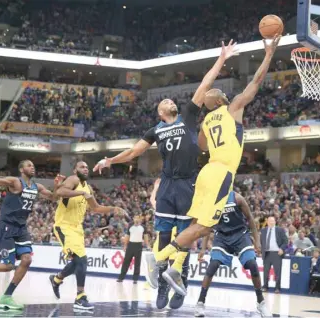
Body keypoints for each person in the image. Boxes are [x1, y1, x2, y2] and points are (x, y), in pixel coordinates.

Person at [93, 40, 238, 310]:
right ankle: (161, 284)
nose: (170, 100)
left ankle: (180, 284)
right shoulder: (155, 130)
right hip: (168, 184)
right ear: (160, 113)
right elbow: (134, 152)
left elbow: (204, 85)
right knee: (162, 235)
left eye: (170, 99)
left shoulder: (187, 116)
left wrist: (222, 59)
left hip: (188, 183)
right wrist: (110, 159)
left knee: (185, 235)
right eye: (165, 101)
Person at [145, 34, 281, 297]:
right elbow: (256, 81)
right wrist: (269, 54)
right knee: (204, 226)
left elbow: (202, 147)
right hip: (222, 173)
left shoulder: (207, 120)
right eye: (224, 95)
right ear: (221, 101)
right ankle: (160, 259)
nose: (228, 95)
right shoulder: (233, 108)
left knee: (201, 224)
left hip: (206, 172)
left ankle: (171, 267)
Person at [0, 159, 62, 309]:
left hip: (21, 228)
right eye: (29, 165)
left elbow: (54, 197)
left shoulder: (37, 186)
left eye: (33, 165)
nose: (32, 167)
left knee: (27, 260)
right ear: (21, 169)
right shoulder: (15, 182)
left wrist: (57, 185)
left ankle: (7, 296)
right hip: (7, 227)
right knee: (8, 266)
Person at [48, 161, 126, 311]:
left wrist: (113, 208)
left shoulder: (88, 187)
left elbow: (96, 208)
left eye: (86, 167)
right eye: (82, 167)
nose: (85, 169)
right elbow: (60, 192)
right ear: (74, 169)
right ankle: (80, 296)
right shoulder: (73, 180)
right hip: (64, 226)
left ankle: (56, 279)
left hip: (77, 229)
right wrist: (81, 193)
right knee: (81, 261)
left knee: (78, 262)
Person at [195, 191, 270, 317]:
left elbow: (250, 219)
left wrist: (257, 241)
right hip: (222, 237)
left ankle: (260, 302)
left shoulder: (237, 198)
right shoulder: (211, 200)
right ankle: (200, 302)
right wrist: (203, 248)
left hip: (240, 235)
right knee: (213, 265)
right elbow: (208, 226)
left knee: (252, 264)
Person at [117, 215, 149, 283]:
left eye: (138, 218)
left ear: (140, 219)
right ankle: (121, 278)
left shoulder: (143, 227)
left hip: (139, 245)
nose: (136, 219)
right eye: (135, 218)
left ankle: (135, 279)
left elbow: (145, 237)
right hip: (131, 245)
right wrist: (125, 245)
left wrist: (148, 245)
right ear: (133, 219)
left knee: (137, 263)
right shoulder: (130, 226)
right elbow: (127, 236)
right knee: (126, 262)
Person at [260, 216, 288, 293]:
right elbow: (261, 242)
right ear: (267, 222)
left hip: (277, 253)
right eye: (269, 221)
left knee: (277, 272)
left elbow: (285, 241)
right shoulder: (263, 230)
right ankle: (265, 286)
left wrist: (282, 249)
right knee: (265, 272)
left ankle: (277, 288)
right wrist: (261, 251)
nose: (271, 222)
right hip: (267, 253)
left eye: (272, 221)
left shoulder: (280, 230)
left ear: (275, 222)